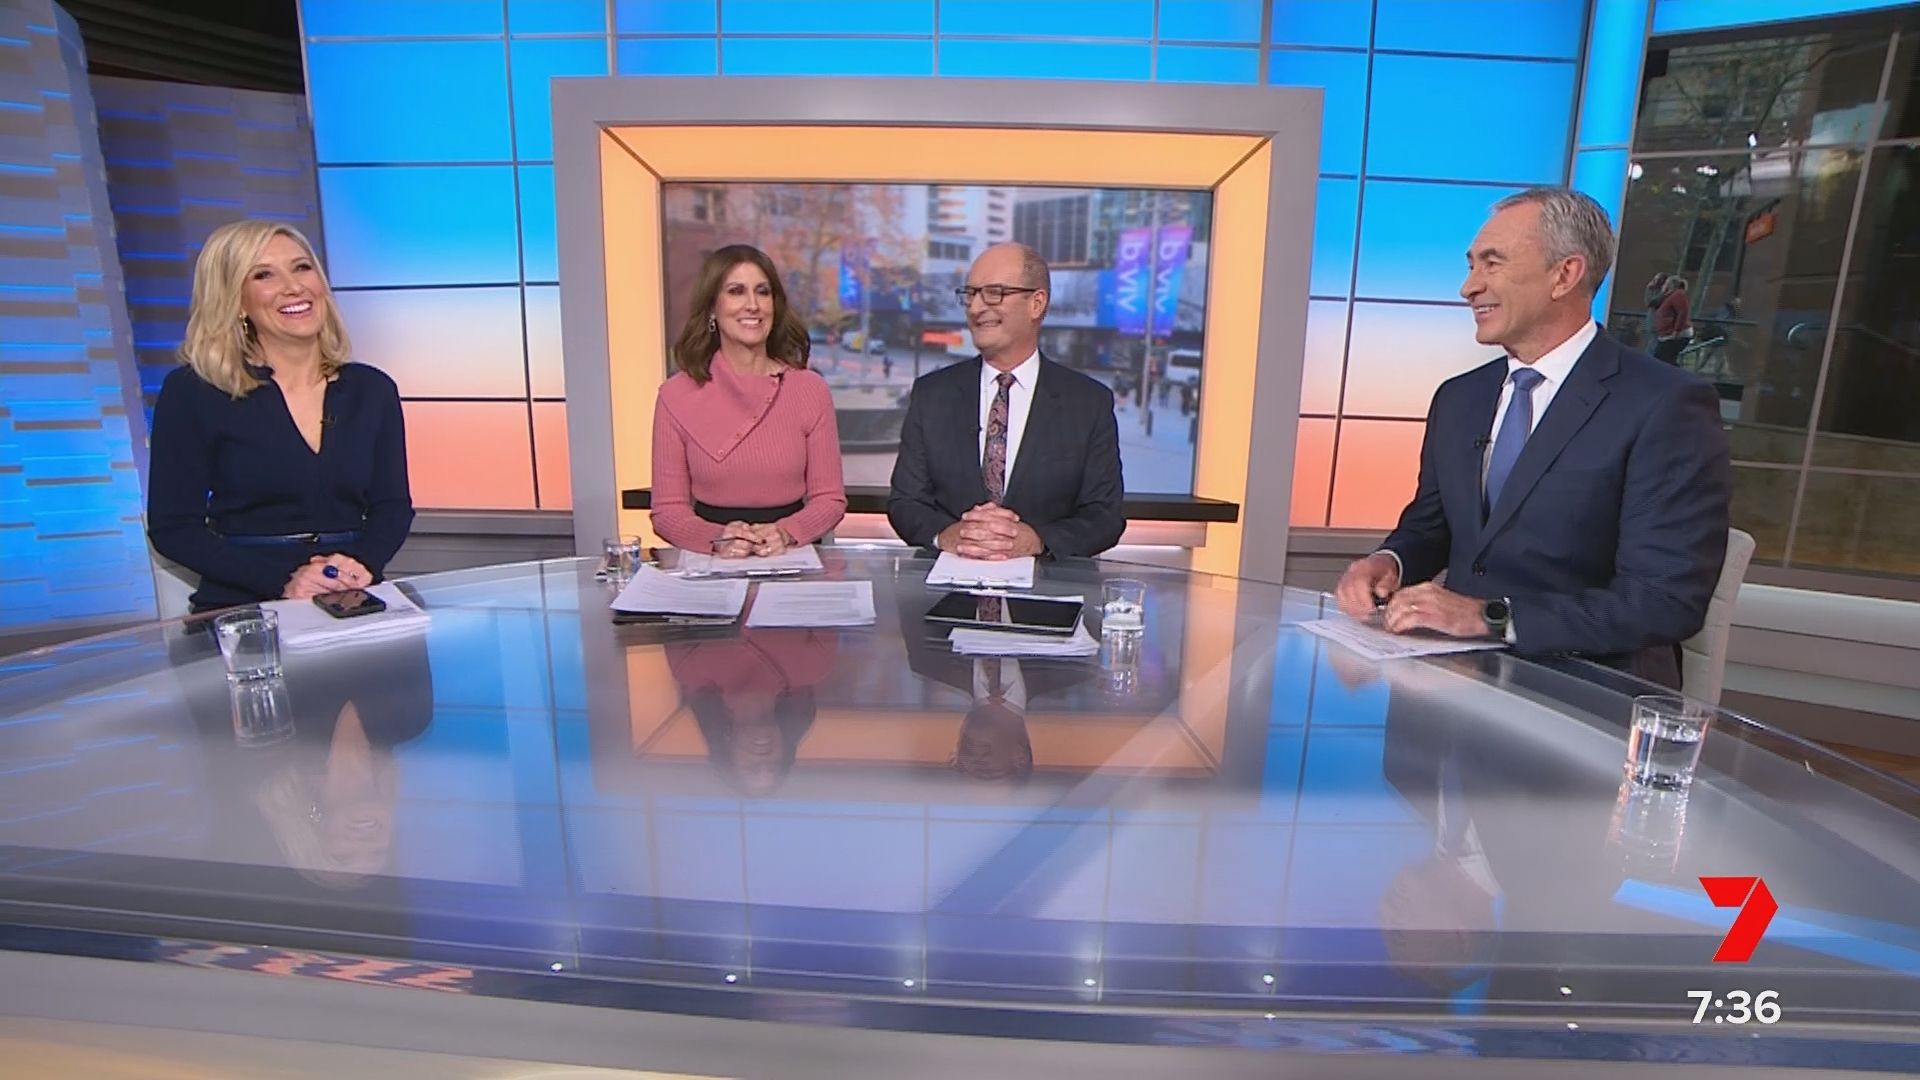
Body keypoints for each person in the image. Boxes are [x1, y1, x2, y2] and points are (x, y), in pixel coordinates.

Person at [1333, 188, 1731, 690]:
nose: (1468, 287)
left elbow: (1664, 601)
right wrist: (1390, 560)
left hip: (1585, 695)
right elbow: (1432, 526)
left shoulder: (1665, 405)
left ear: (1565, 275)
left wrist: (1490, 618)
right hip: (1453, 681)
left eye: (1491, 263)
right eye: (1471, 266)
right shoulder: (1459, 398)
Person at [147, 220, 413, 612]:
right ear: (235, 299)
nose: (293, 286)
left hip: (350, 594)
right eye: (264, 275)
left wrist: (359, 564)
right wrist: (284, 581)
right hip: (245, 603)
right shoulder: (194, 391)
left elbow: (392, 506)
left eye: (301, 267)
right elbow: (174, 528)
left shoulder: (372, 389)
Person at [887, 242, 1124, 560]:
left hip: (1048, 585)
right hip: (946, 581)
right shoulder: (932, 394)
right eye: (970, 294)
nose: (975, 308)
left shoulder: (1089, 402)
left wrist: (1037, 541)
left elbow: (1104, 516)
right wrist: (949, 535)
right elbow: (905, 503)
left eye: (993, 293)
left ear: (1036, 303)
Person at [651, 244, 846, 557]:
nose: (753, 305)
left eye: (762, 292)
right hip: (711, 558)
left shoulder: (810, 390)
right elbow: (667, 511)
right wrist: (718, 538)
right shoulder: (675, 396)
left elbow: (830, 500)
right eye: (736, 291)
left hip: (790, 556)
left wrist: (786, 532)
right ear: (712, 308)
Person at [667, 628, 836, 795]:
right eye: (773, 765)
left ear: (727, 751)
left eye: (752, 767)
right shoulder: (815, 666)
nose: (764, 759)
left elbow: (673, 612)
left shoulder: (688, 669)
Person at [1651, 274, 1693, 365]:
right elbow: (1651, 302)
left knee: (1662, 359)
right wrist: (1650, 289)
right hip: (1666, 335)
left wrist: (1676, 331)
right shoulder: (1667, 296)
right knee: (1664, 359)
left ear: (1670, 284)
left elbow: (1683, 312)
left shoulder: (1678, 294)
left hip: (1676, 335)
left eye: (1665, 283)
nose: (1663, 285)